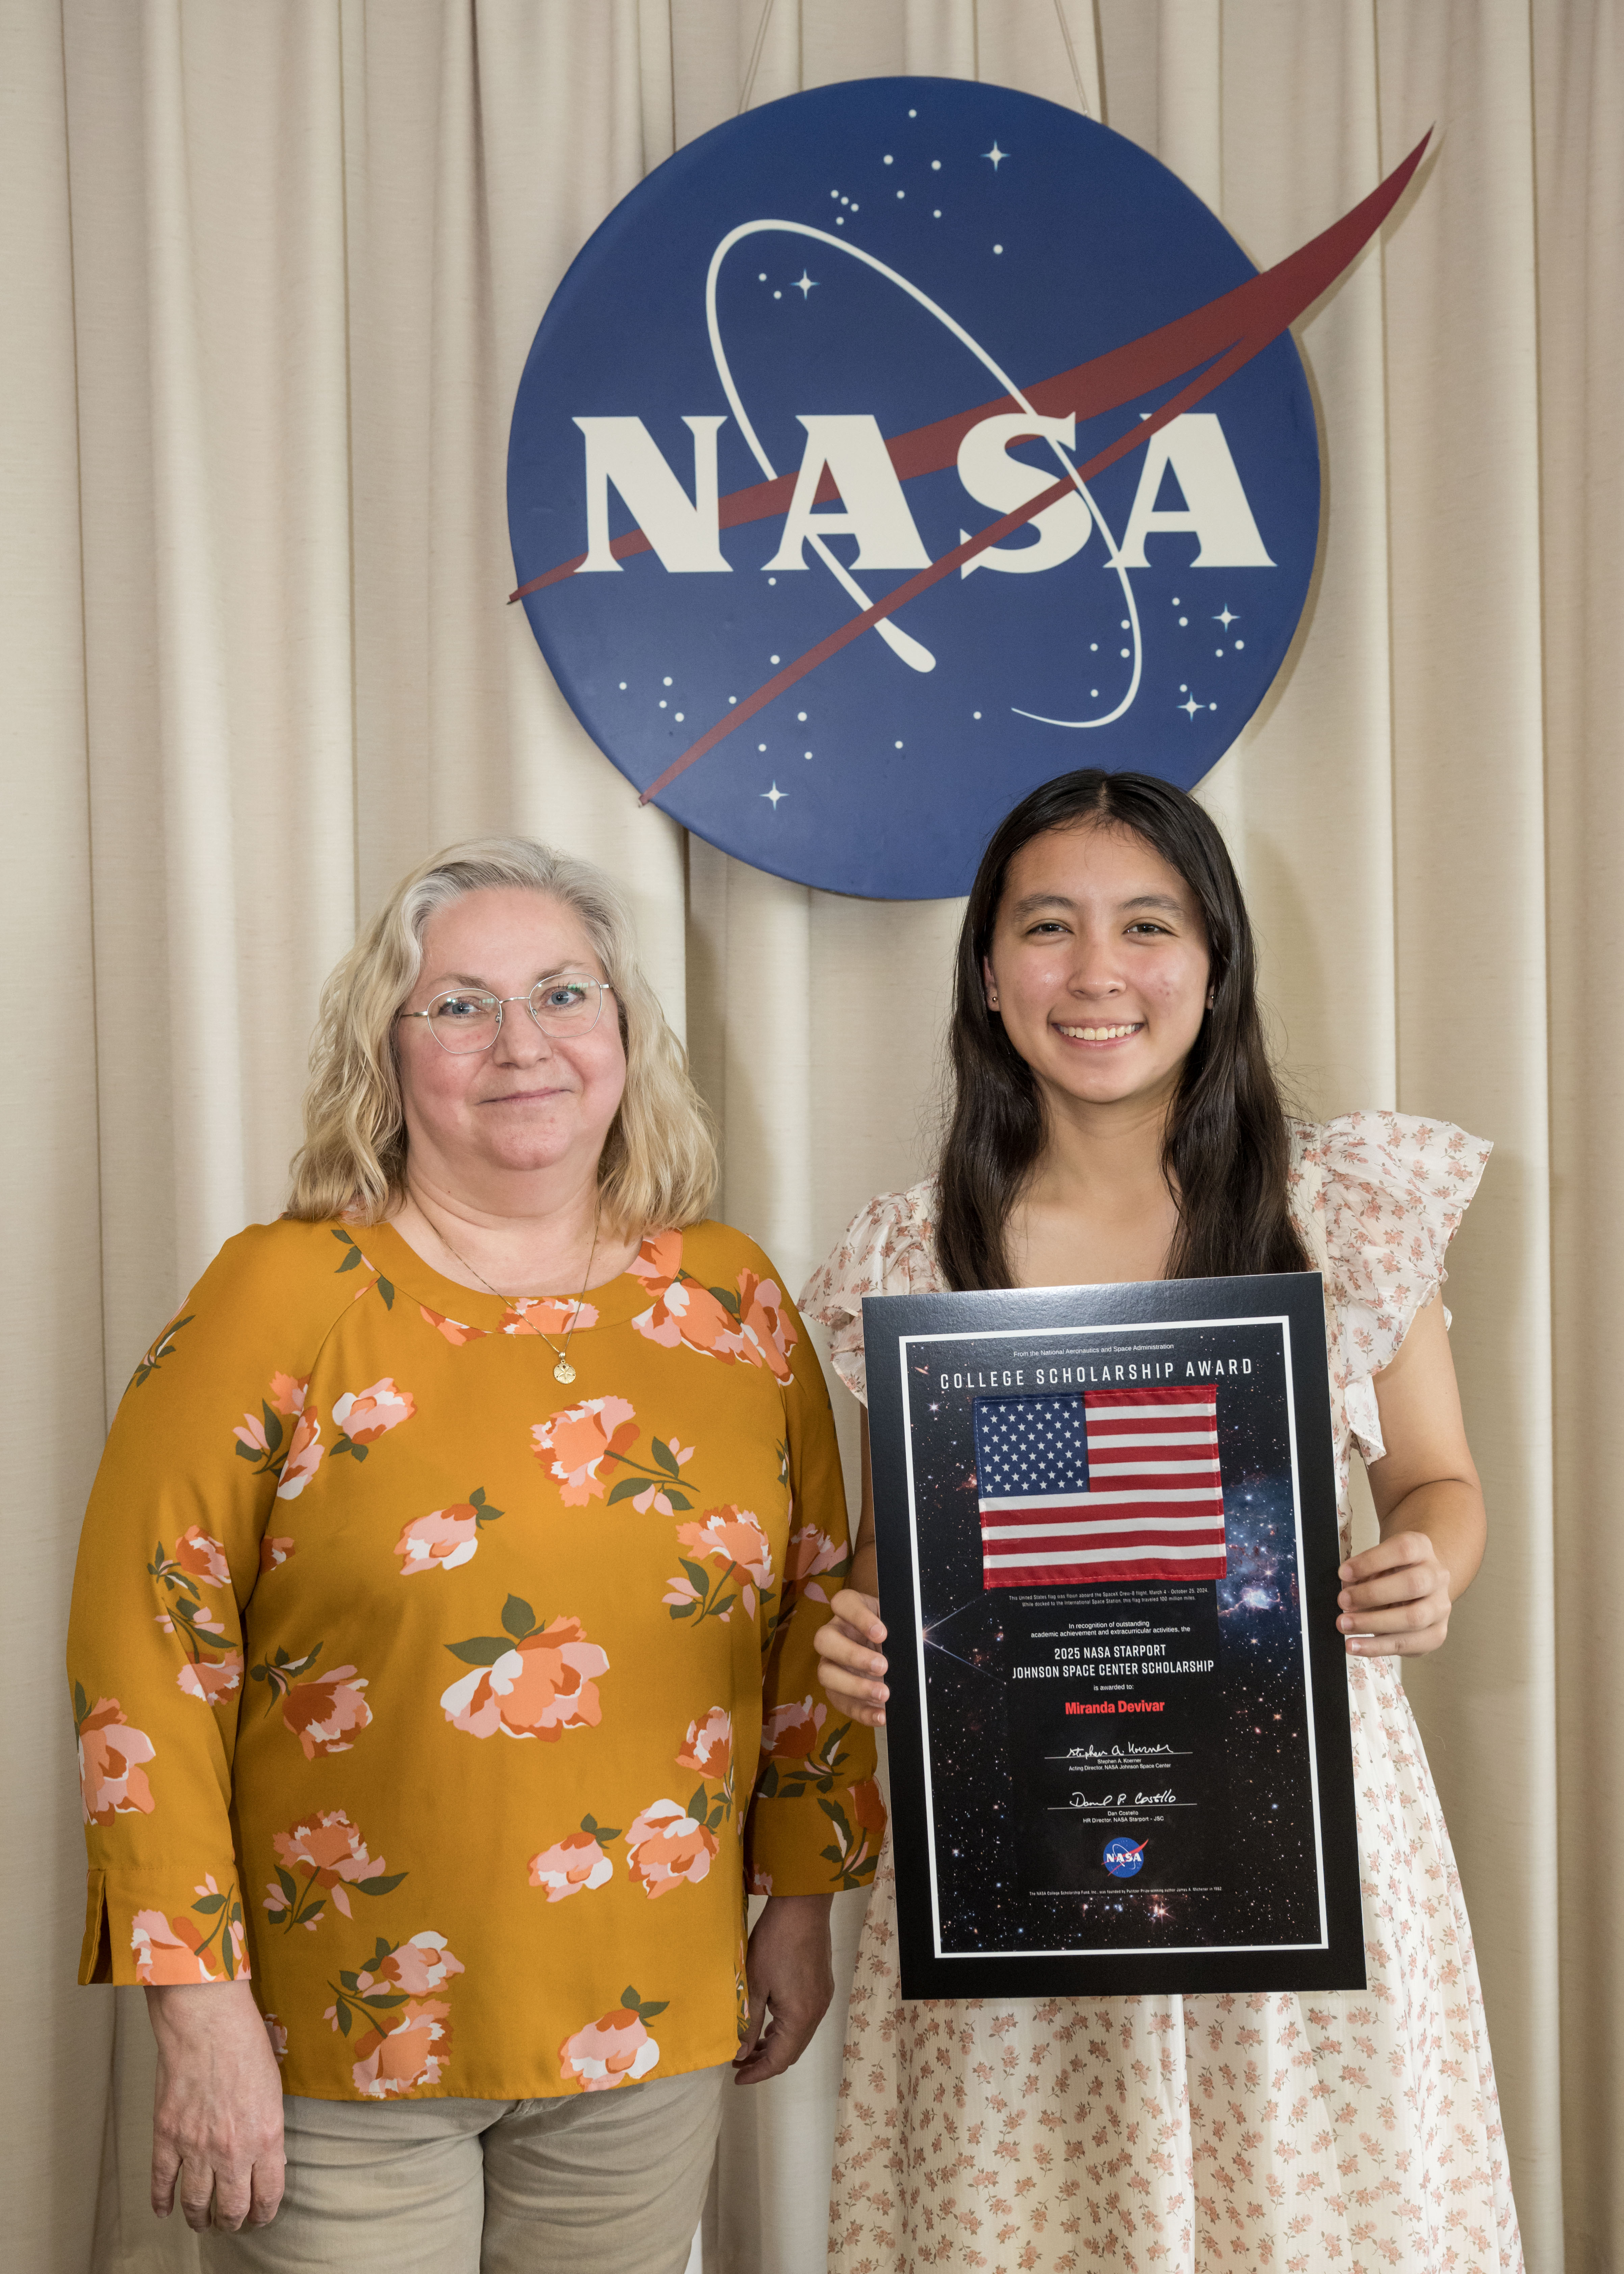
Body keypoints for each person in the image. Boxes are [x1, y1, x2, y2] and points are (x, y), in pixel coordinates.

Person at [68, 837, 883, 2273]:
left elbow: (822, 1606)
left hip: (649, 2018)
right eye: (458, 1005)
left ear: (627, 1035)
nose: (523, 1045)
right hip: (333, 2038)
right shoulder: (282, 1293)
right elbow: (148, 1645)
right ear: (385, 1053)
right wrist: (193, 2007)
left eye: (566, 995)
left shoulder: (733, 1298)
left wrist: (799, 1906)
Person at [803, 770, 1522, 2272]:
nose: (1097, 972)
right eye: (1048, 927)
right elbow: (896, 1565)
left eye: (1147, 924)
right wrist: (861, 1639)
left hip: (1298, 1830)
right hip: (1017, 1860)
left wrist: (1425, 1571)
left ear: (1213, 962)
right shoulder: (908, 1246)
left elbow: (1439, 1485)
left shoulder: (1339, 1210)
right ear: (991, 973)